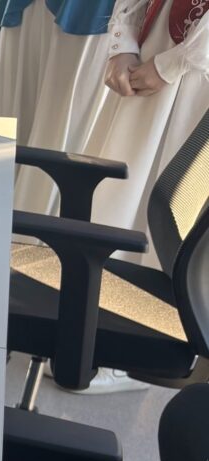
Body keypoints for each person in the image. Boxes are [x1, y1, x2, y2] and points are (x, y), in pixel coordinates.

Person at [86, 0, 209, 271]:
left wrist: (176, 63)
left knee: (180, 206)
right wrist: (123, 40)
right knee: (119, 186)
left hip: (200, 68)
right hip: (150, 43)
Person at [0, 0, 116, 217]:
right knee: (10, 137)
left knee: (57, 143)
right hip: (28, 10)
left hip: (93, 15)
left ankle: (29, 242)